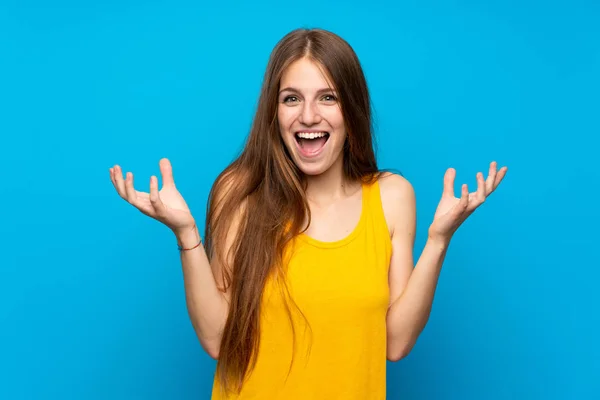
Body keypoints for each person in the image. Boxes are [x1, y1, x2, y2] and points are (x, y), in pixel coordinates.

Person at [109, 28, 507, 399]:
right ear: (275, 112)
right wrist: (187, 236)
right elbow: (216, 339)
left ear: (351, 111)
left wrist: (439, 241)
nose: (309, 116)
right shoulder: (240, 192)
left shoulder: (391, 197)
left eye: (328, 97)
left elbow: (396, 343)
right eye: (292, 98)